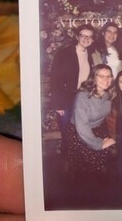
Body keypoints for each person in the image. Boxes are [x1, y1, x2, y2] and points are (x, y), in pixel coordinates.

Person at [49, 23, 96, 157]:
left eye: (90, 37)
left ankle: (77, 162)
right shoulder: (65, 53)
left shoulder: (90, 54)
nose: (86, 39)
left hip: (82, 100)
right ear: (77, 36)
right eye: (83, 36)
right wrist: (58, 104)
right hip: (65, 100)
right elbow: (55, 79)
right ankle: (65, 162)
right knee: (66, 132)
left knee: (80, 131)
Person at [66, 64, 116, 178]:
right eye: (101, 76)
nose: (106, 80)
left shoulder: (109, 94)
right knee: (94, 162)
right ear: (93, 77)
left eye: (109, 76)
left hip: (98, 128)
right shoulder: (83, 96)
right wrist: (99, 144)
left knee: (113, 150)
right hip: (78, 132)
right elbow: (82, 126)